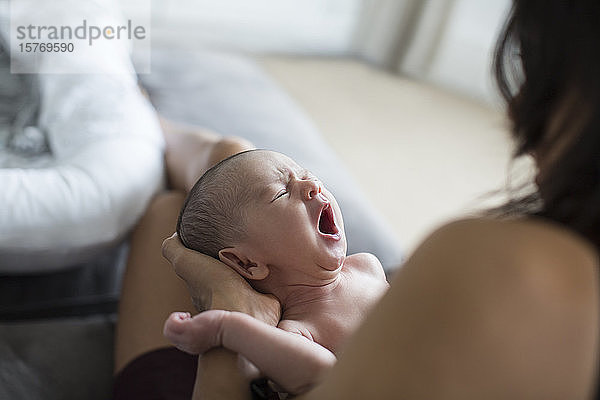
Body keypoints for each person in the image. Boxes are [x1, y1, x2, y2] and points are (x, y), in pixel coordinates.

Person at [114, 0, 600, 398]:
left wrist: (227, 315)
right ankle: (137, 120)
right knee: (230, 167)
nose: (517, 109)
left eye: (538, 75)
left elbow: (311, 370)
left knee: (175, 207)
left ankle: (129, 117)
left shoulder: (528, 271)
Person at [163, 149, 389, 394]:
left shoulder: (368, 266)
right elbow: (323, 372)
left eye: (305, 174)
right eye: (282, 193)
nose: (313, 184)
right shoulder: (297, 331)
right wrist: (225, 328)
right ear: (247, 263)